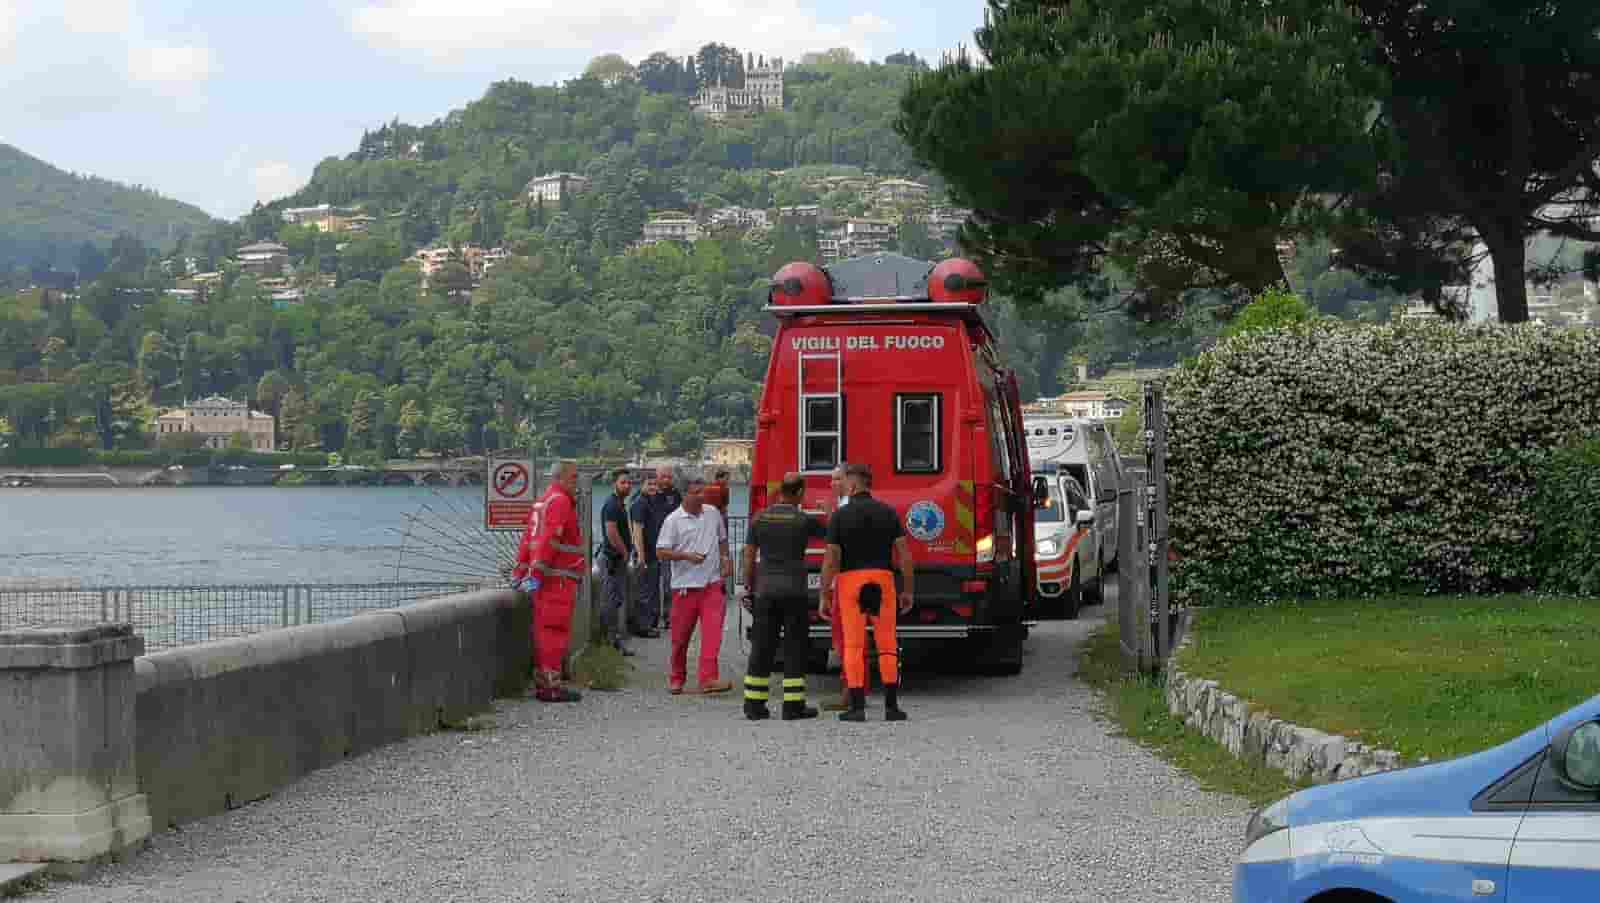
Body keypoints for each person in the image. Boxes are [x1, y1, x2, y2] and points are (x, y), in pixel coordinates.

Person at [819, 462, 913, 722]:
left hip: (851, 581)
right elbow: (904, 556)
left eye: (845, 482)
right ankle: (892, 707)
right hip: (883, 580)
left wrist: (824, 592)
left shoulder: (840, 517)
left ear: (853, 484)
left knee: (853, 645)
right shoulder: (888, 513)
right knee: (887, 644)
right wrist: (907, 590)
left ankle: (857, 707)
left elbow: (831, 559)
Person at [739, 472, 827, 721]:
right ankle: (792, 706)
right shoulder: (802, 520)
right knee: (795, 647)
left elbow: (748, 555)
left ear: (779, 491)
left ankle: (754, 706)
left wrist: (748, 584)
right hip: (794, 590)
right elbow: (832, 535)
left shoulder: (760, 518)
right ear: (799, 493)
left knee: (762, 646)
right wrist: (828, 510)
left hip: (765, 590)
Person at [510, 460, 586, 703]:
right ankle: (551, 687)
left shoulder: (541, 502)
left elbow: (528, 540)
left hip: (548, 580)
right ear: (561, 478)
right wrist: (537, 575)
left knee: (545, 630)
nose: (577, 483)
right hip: (558, 579)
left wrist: (520, 572)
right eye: (574, 478)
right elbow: (550, 541)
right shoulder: (561, 502)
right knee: (555, 632)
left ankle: (546, 683)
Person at [656, 474, 734, 695]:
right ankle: (677, 677)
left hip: (712, 584)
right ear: (684, 494)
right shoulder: (673, 521)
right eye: (696, 493)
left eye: (703, 492)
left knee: (713, 634)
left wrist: (726, 560)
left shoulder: (713, 513)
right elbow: (660, 551)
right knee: (680, 639)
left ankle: (708, 679)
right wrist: (686, 556)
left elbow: (722, 540)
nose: (702, 496)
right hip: (685, 587)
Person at [818, 464, 851, 712]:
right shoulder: (842, 505)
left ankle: (848, 692)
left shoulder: (845, 508)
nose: (833, 483)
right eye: (831, 479)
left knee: (845, 638)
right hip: (852, 578)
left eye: (837, 479)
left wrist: (824, 590)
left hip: (845, 580)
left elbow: (834, 550)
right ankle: (852, 689)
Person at [640, 465, 683, 631]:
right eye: (663, 476)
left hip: (669, 547)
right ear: (656, 477)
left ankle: (669, 616)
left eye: (669, 477)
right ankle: (652, 618)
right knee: (651, 585)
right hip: (651, 547)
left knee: (668, 583)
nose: (666, 480)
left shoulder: (675, 495)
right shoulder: (648, 494)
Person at [599, 468, 636, 657]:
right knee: (611, 601)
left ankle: (613, 641)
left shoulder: (620, 504)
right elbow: (611, 532)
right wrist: (624, 552)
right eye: (623, 482)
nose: (627, 485)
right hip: (612, 560)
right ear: (615, 483)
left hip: (617, 560)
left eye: (629, 482)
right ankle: (610, 642)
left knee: (616, 600)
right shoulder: (612, 505)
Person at [626, 475, 663, 638]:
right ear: (642, 485)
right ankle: (642, 627)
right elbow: (637, 531)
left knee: (651, 590)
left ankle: (649, 624)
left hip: (653, 554)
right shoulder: (640, 503)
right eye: (649, 484)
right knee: (644, 592)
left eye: (655, 484)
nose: (653, 487)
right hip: (645, 555)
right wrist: (641, 557)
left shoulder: (650, 501)